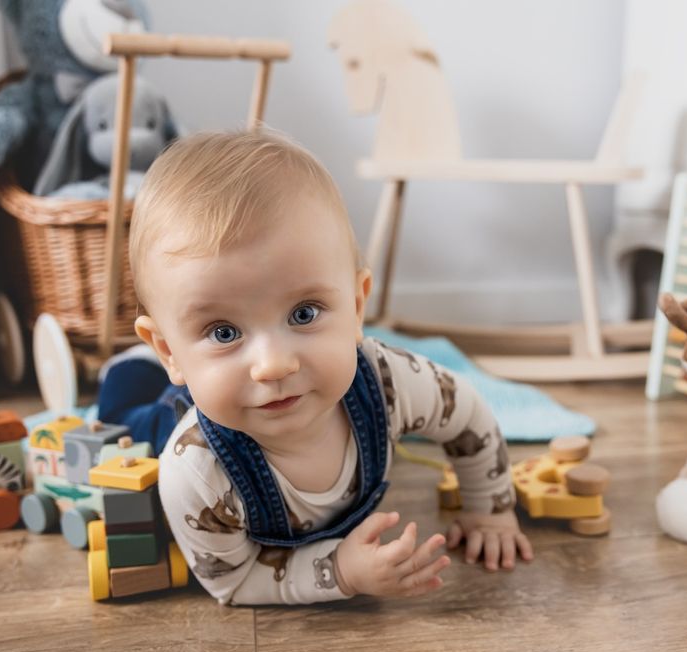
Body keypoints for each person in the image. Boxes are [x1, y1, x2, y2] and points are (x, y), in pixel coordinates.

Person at [96, 129, 533, 605]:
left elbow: (466, 415)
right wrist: (340, 572)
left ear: (357, 306)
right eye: (224, 332)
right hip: (181, 417)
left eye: (303, 314)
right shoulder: (196, 474)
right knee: (126, 414)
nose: (273, 365)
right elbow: (233, 580)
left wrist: (490, 509)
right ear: (171, 352)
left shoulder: (388, 382)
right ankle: (131, 369)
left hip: (220, 391)